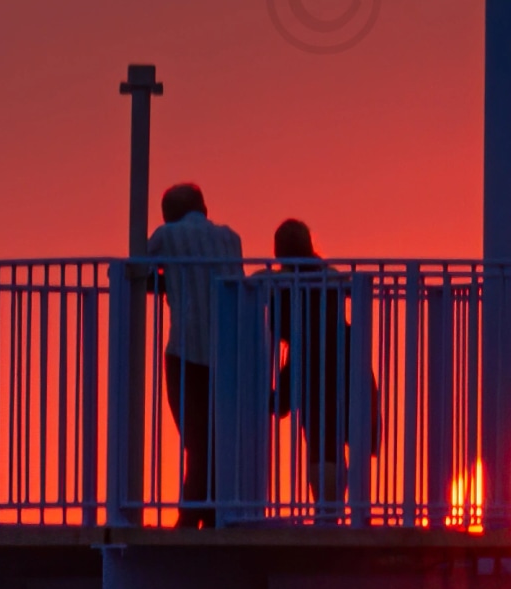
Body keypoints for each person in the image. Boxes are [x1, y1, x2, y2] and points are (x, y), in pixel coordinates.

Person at [265, 219, 377, 521]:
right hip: (346, 354)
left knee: (321, 441)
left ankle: (327, 511)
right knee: (350, 433)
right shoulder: (331, 276)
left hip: (310, 362)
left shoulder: (281, 285)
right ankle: (341, 508)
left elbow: (279, 325)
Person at [144, 182, 243, 526]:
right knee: (217, 436)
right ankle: (212, 512)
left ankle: (190, 517)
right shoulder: (231, 239)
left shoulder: (167, 235)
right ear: (203, 207)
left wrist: (167, 280)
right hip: (229, 351)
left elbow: (136, 270)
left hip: (186, 349)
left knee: (195, 436)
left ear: (168, 213)